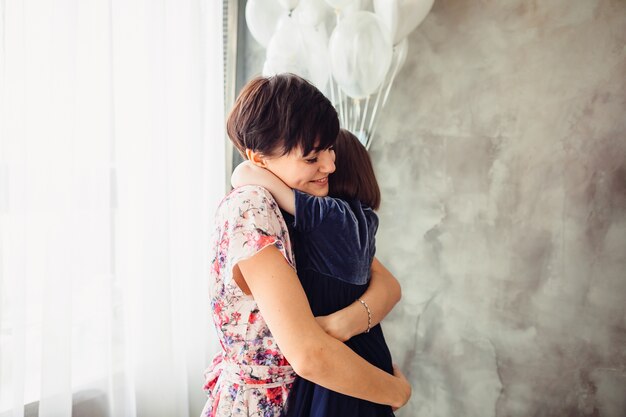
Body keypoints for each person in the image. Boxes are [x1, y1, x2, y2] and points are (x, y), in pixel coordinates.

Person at [202, 74, 410, 417]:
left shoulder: (295, 209)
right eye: (312, 158)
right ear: (260, 160)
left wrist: (341, 323)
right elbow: (308, 356)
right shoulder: (251, 208)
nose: (330, 164)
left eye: (329, 148)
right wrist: (397, 391)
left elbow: (385, 283)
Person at [231, 128, 396, 417]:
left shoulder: (334, 216)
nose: (325, 166)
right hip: (365, 356)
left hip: (338, 369)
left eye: (328, 157)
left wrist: (255, 160)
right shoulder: (362, 223)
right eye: (313, 158)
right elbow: (390, 285)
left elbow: (244, 174)